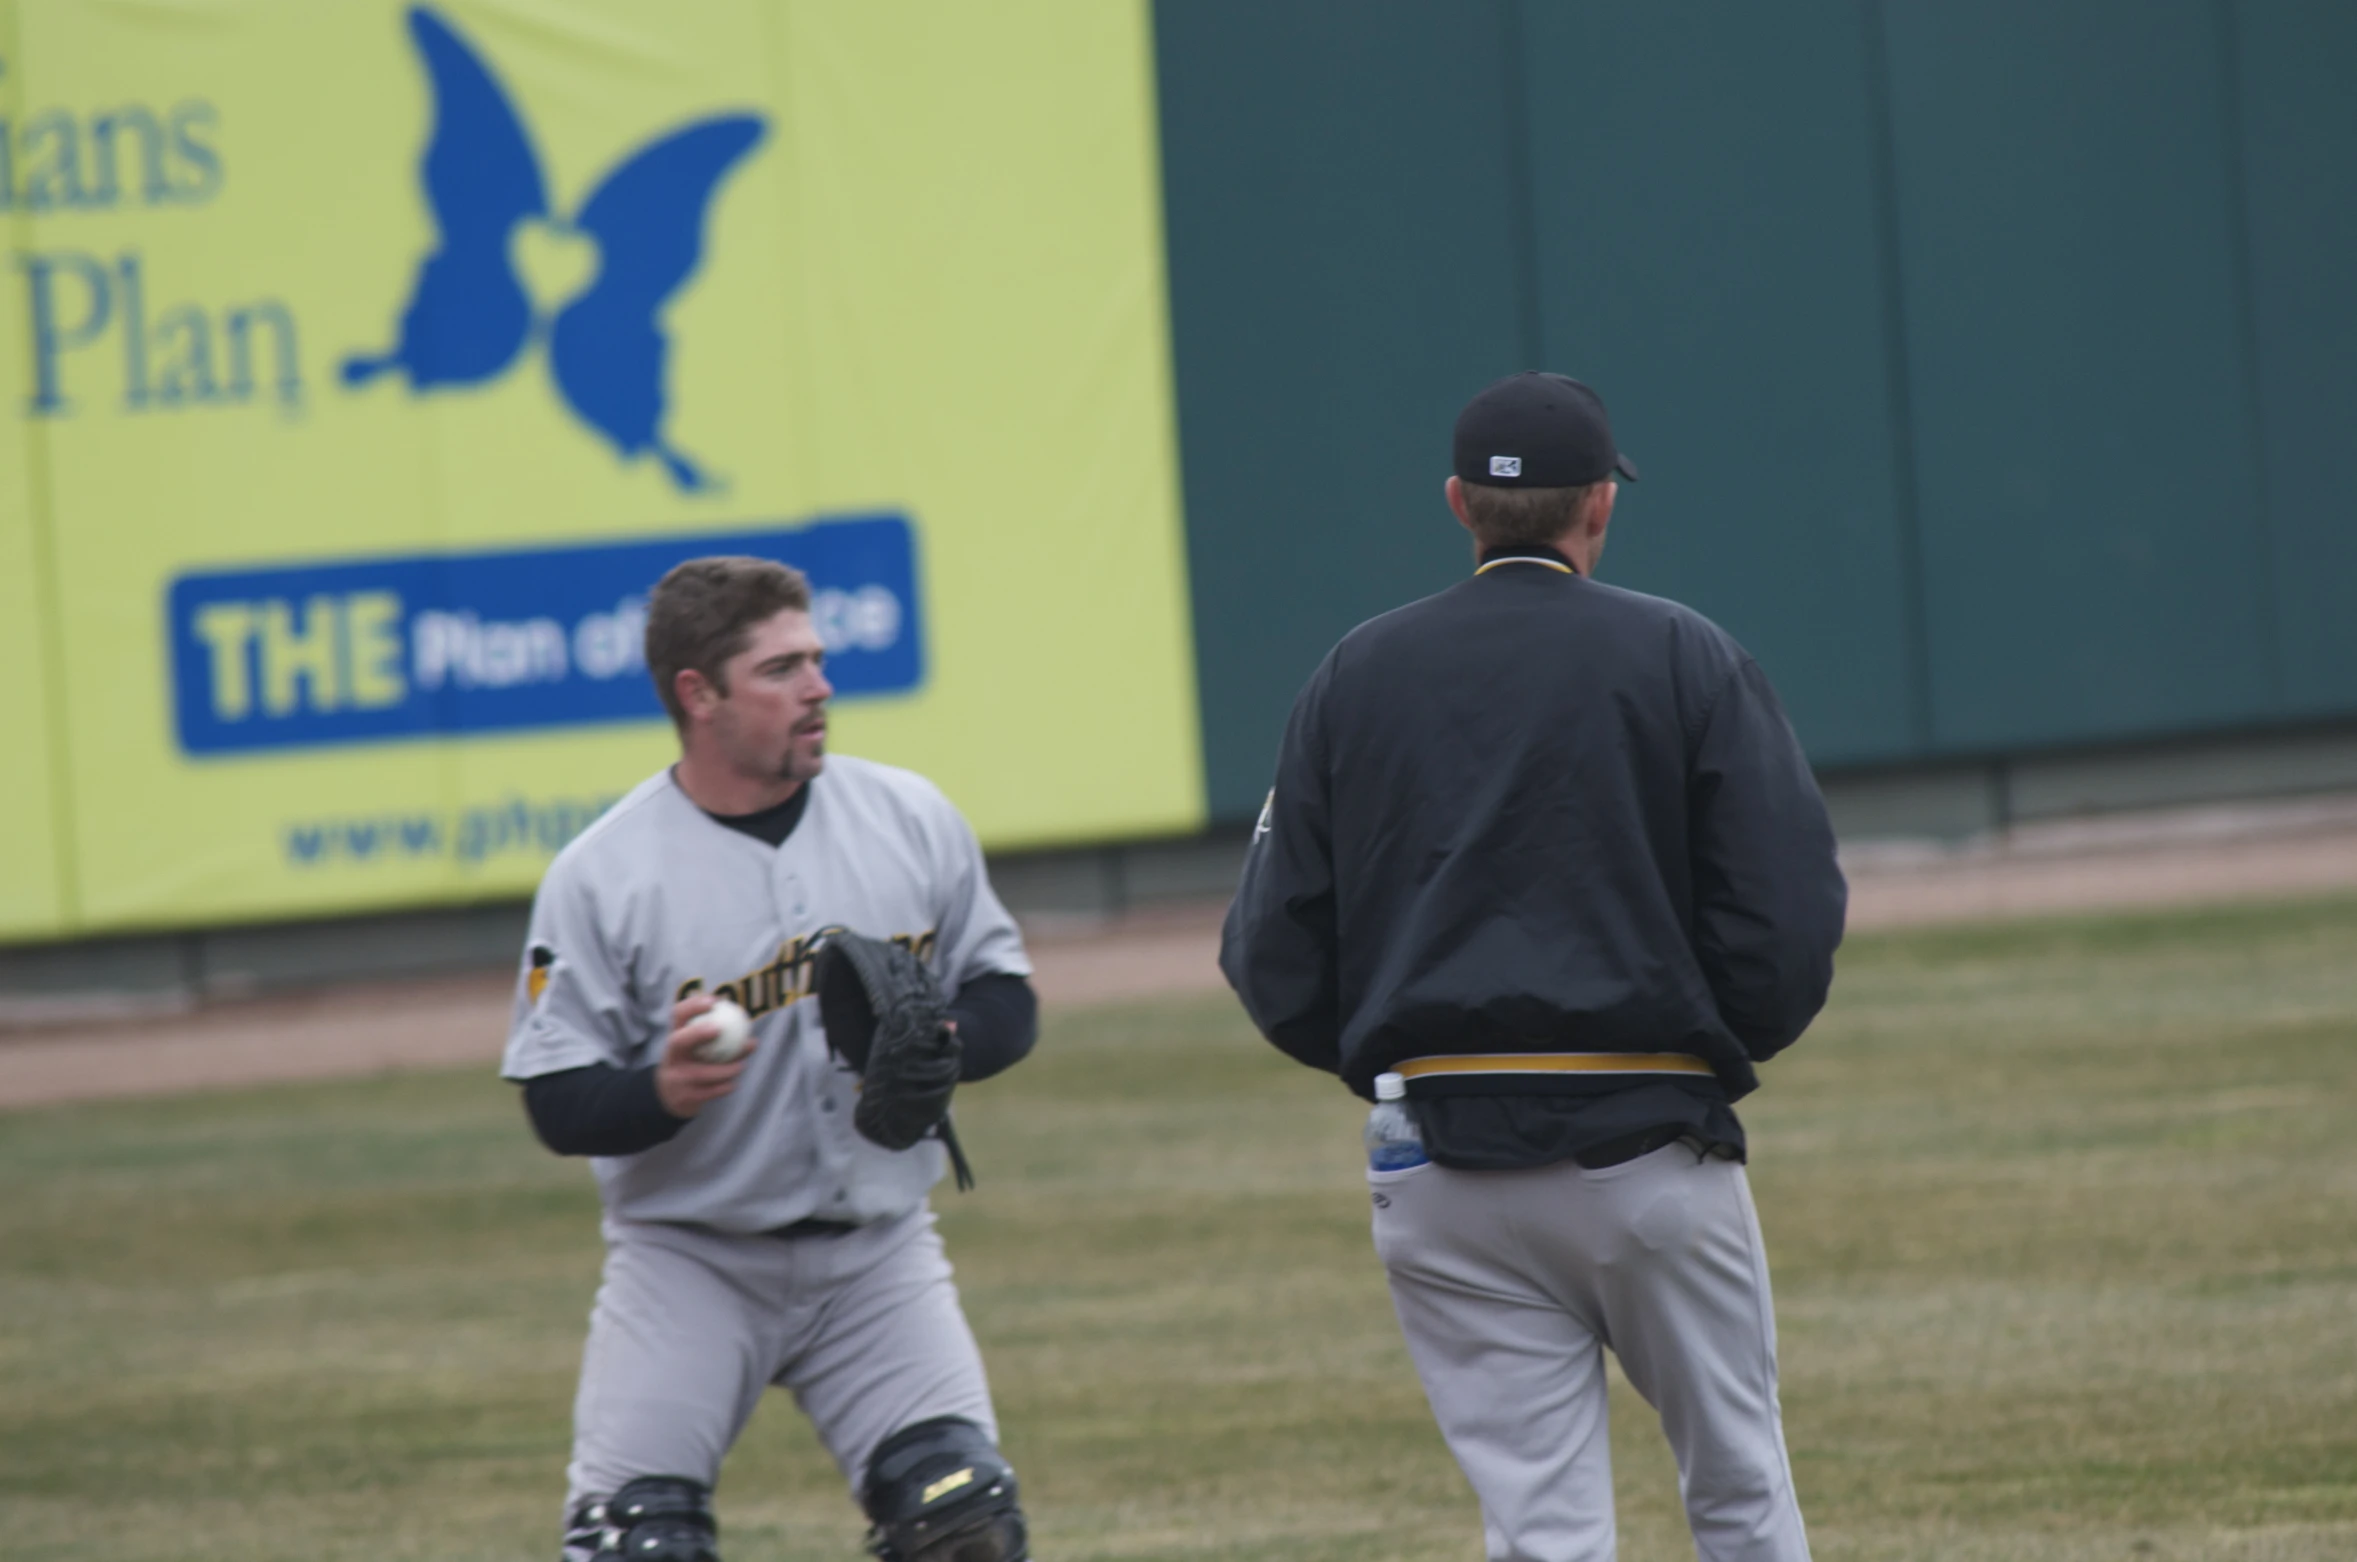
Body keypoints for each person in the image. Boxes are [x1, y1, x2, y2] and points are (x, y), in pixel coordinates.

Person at [1219, 372, 1846, 1562]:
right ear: (1599, 504)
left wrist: (1391, 1048)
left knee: (1540, 1529)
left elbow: (1272, 947)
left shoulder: (1355, 670)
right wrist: (1704, 1040)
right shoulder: (1681, 650)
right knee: (1737, 1490)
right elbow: (1785, 912)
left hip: (1437, 1163)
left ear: (1459, 503)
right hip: (1647, 1147)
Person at [503, 555, 1038, 1562]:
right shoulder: (603, 874)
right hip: (689, 1263)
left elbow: (1006, 994)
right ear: (696, 694)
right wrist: (657, 1091)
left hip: (876, 1259)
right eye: (782, 668)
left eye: (818, 660)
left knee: (965, 1524)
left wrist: (945, 1040)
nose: (818, 687)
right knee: (637, 1546)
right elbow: (556, 1097)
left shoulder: (908, 817)